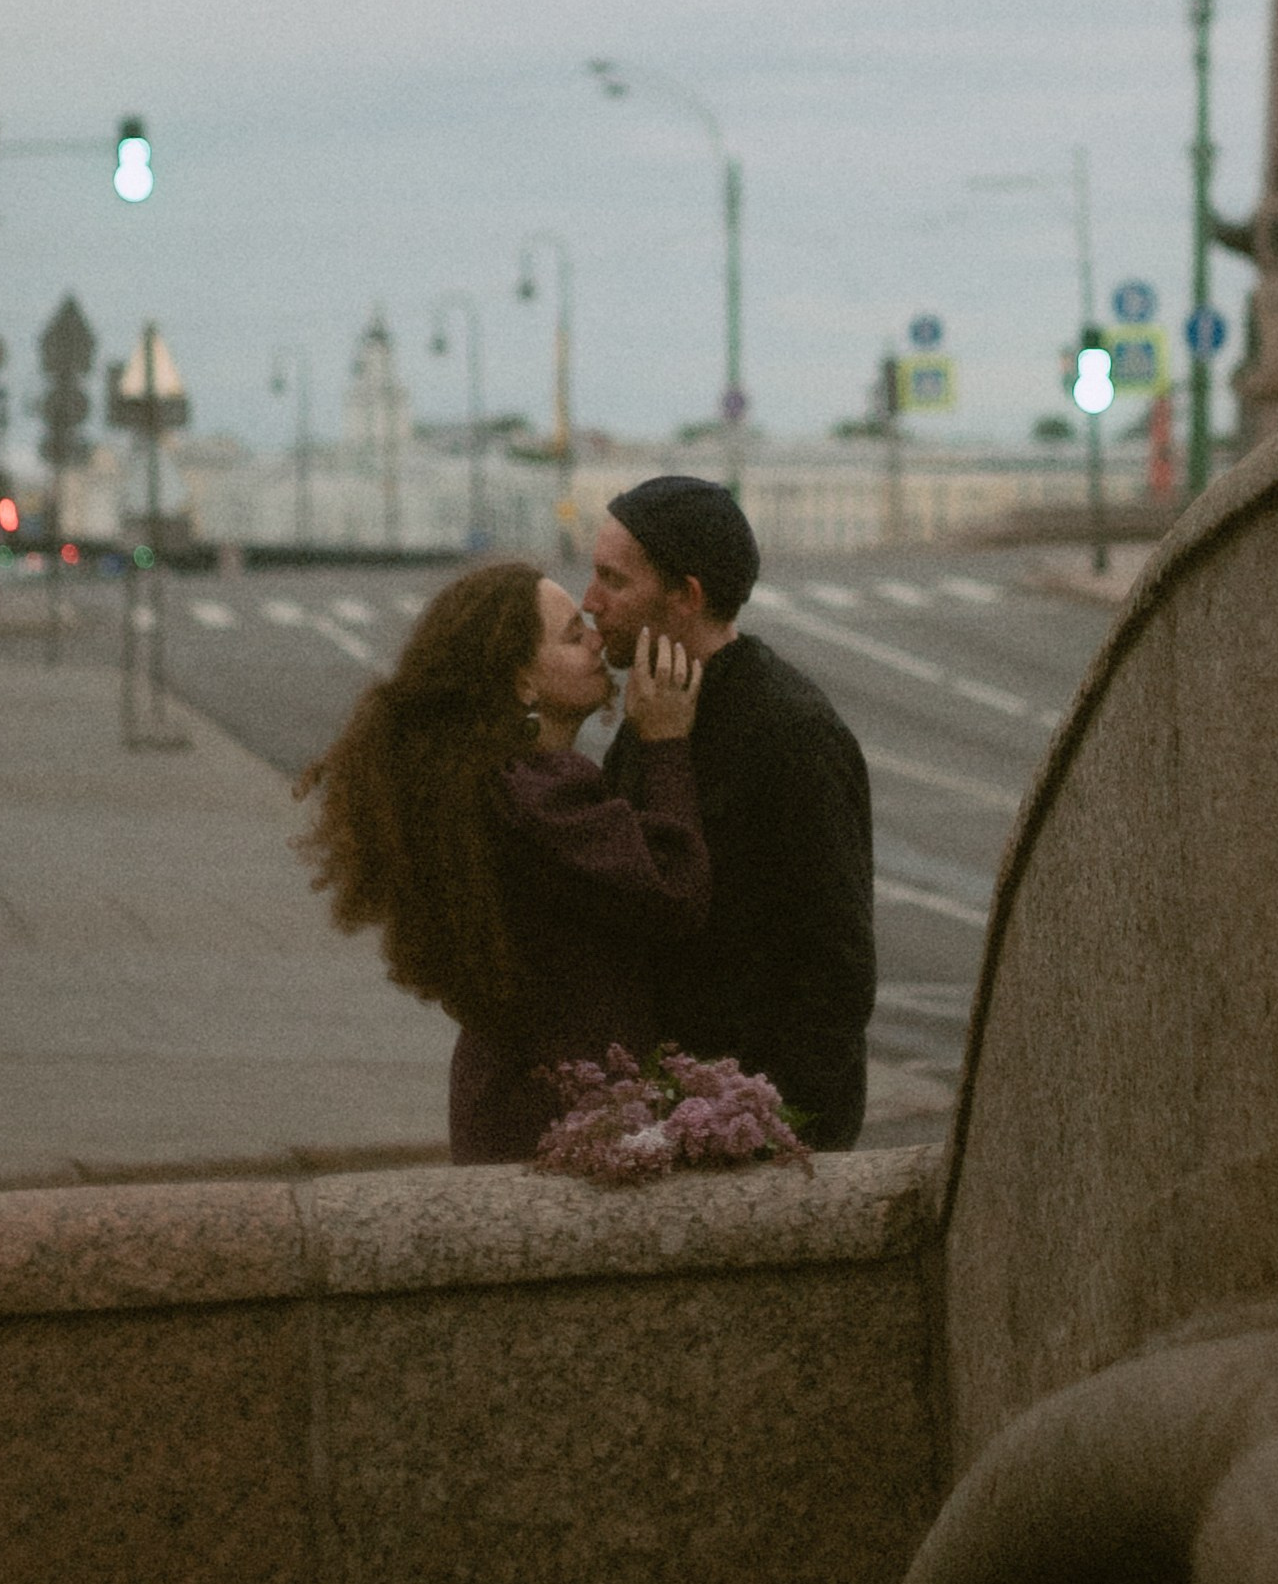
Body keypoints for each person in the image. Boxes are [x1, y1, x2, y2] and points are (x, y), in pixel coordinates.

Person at [297, 560, 707, 1162]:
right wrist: (667, 742)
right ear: (521, 683)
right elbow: (674, 889)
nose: (596, 637)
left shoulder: (493, 782)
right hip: (560, 1113)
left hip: (513, 1100)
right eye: (572, 635)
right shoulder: (537, 796)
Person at [585, 476, 875, 1148]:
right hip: (672, 1114)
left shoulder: (789, 732)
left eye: (613, 580)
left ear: (686, 595)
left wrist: (771, 1128)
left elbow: (836, 971)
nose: (591, 602)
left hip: (752, 1136)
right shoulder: (654, 710)